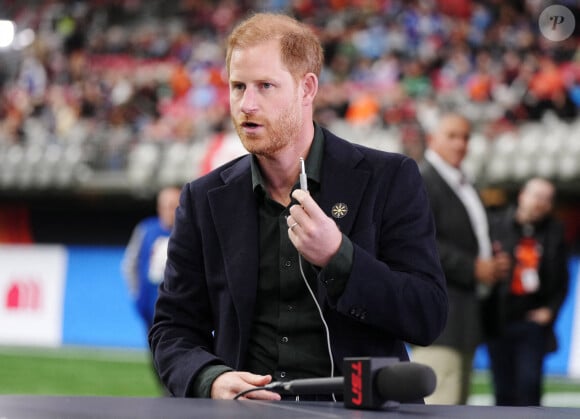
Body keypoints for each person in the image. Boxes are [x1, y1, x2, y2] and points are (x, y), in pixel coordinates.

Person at [148, 12, 448, 401]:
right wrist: (210, 378)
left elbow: (427, 315)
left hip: (360, 412)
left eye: (265, 86)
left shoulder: (389, 178)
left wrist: (339, 258)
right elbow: (171, 329)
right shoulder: (203, 199)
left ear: (307, 89)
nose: (247, 104)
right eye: (238, 87)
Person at [412, 112, 511, 405]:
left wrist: (490, 256)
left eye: (466, 137)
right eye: (452, 136)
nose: (460, 144)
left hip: (464, 315)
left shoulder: (461, 181)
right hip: (441, 320)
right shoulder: (423, 178)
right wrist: (473, 267)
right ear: (432, 139)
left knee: (458, 403)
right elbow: (421, 241)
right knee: (441, 404)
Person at [484, 177, 569, 406]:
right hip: (500, 320)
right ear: (522, 195)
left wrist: (550, 310)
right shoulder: (497, 225)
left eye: (547, 199)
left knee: (529, 386)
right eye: (537, 196)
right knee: (503, 390)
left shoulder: (554, 231)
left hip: (531, 322)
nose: (541, 203)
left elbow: (562, 280)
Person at [122, 186, 181, 332]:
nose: (169, 211)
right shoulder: (146, 229)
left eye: (173, 206)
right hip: (151, 304)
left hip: (180, 307)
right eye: (165, 206)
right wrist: (138, 295)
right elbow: (130, 264)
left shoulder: (189, 232)